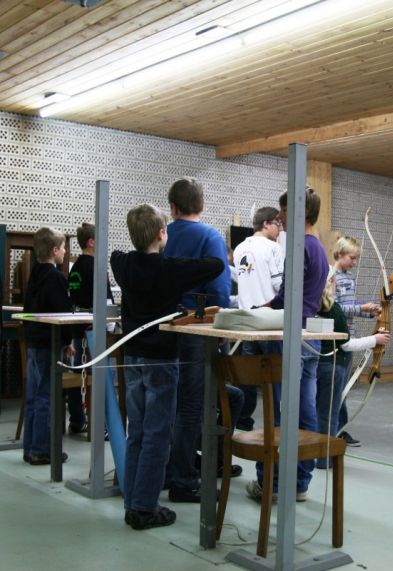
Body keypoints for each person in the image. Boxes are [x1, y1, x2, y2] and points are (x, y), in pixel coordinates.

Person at [111, 203, 224, 530]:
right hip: (161, 360)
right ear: (162, 234)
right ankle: (145, 508)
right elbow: (215, 265)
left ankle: (133, 501)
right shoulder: (169, 268)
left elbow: (118, 254)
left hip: (133, 358)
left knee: (137, 431)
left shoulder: (122, 263)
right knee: (158, 434)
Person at [245, 187, 329, 502]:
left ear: (301, 212)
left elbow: (287, 296)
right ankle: (300, 483)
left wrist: (260, 309)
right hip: (309, 336)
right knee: (305, 410)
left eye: (284, 210)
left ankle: (275, 483)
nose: (280, 217)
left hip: (290, 337)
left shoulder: (299, 246)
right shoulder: (317, 247)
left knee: (280, 411)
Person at [164, 177, 244, 503]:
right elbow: (219, 289)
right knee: (192, 405)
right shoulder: (210, 236)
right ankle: (183, 479)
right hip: (197, 328)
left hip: (164, 327)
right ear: (202, 204)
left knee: (171, 401)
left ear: (172, 207)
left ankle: (175, 467)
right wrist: (220, 328)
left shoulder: (163, 234)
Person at [315, 267, 390, 468]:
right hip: (333, 367)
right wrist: (375, 340)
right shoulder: (334, 309)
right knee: (328, 414)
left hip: (312, 365)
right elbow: (346, 345)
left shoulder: (308, 305)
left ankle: (308, 455)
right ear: (330, 283)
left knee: (312, 411)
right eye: (334, 280)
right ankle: (324, 459)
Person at [22, 227, 75, 465]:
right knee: (47, 395)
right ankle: (42, 449)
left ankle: (30, 446)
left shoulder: (35, 273)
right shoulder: (56, 278)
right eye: (63, 248)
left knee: (34, 395)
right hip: (48, 342)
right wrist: (68, 340)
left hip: (33, 340)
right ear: (54, 250)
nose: (64, 252)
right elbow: (64, 312)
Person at [232, 206, 284, 431]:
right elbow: (279, 284)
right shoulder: (273, 247)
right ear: (266, 224)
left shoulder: (239, 248)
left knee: (249, 376)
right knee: (276, 376)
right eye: (277, 224)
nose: (280, 229)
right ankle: (278, 425)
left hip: (246, 322)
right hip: (269, 322)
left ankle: (243, 421)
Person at [331, 236, 381, 447]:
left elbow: (348, 309)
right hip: (336, 338)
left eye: (356, 258)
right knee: (336, 388)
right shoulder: (331, 277)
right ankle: (335, 430)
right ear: (339, 254)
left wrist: (370, 313)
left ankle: (339, 429)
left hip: (348, 334)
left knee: (342, 387)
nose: (354, 262)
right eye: (351, 258)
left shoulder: (349, 277)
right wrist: (361, 308)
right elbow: (333, 308)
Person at [66, 222, 114, 434]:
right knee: (101, 377)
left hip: (77, 328)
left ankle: (77, 419)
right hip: (94, 330)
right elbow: (106, 300)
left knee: (78, 374)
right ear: (92, 242)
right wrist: (111, 326)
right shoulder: (97, 266)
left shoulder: (75, 267)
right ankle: (103, 425)